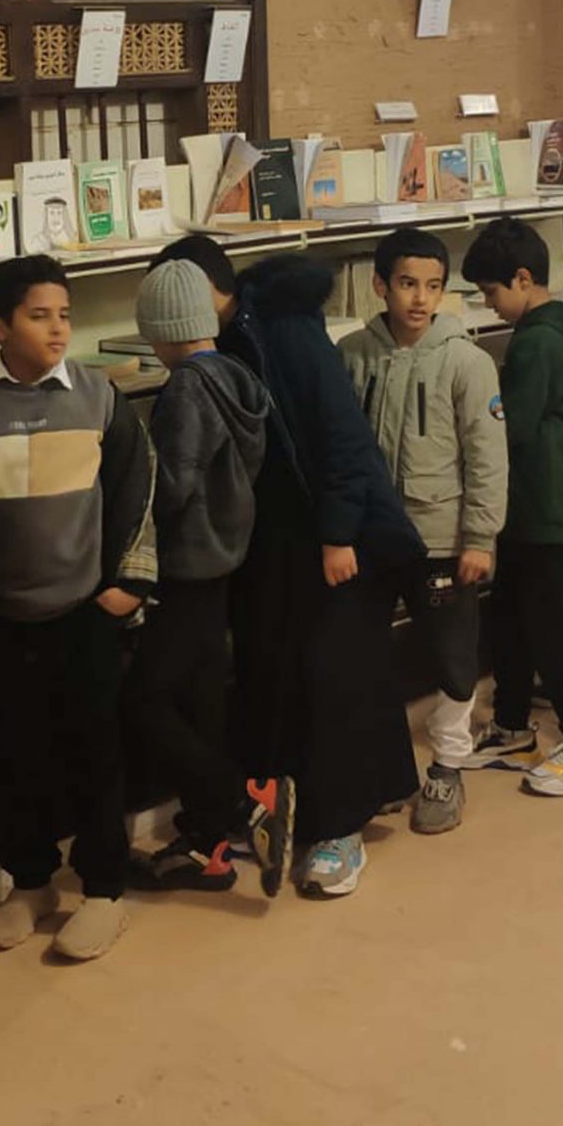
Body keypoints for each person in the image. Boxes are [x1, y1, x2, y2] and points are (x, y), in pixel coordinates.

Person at [152, 236, 420, 899]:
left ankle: (340, 831)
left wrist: (338, 534)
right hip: (271, 541)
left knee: (336, 678)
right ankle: (290, 810)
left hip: (335, 532)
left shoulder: (285, 330)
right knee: (279, 677)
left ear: (207, 291)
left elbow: (341, 435)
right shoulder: (218, 344)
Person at [0, 254, 155, 963]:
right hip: (3, 622)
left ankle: (103, 891)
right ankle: (30, 882)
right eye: (39, 316)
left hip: (85, 612)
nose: (59, 329)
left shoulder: (99, 397)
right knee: (15, 756)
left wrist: (126, 587)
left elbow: (136, 489)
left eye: (64, 315)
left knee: (95, 752)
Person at [123, 255, 287, 895]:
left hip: (185, 566)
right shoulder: (236, 378)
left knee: (143, 700)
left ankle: (246, 804)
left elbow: (172, 486)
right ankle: (208, 843)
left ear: (162, 329)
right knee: (201, 701)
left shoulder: (187, 390)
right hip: (224, 558)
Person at [339, 227, 507, 837]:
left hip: (441, 534)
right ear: (380, 286)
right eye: (407, 284)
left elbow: (487, 455)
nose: (419, 298)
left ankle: (449, 764)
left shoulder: (466, 361)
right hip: (371, 536)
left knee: (452, 654)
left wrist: (480, 537)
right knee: (362, 654)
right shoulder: (353, 354)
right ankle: (384, 773)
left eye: (433, 286)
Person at [459, 217, 563, 797]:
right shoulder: (551, 324)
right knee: (511, 620)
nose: (489, 304)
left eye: (491, 291)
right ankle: (513, 726)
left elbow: (511, 427)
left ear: (523, 278)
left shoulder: (539, 341)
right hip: (529, 507)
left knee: (555, 628)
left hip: (549, 504)